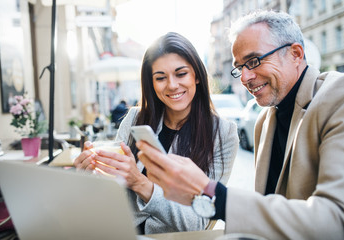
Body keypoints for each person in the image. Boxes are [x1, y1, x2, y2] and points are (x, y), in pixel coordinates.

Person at [136, 10, 344, 239]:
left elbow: (342, 221)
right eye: (240, 67)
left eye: (253, 61)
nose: (244, 78)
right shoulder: (264, 120)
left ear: (295, 54)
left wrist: (214, 194)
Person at [74, 32, 239, 234]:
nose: (171, 85)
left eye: (181, 74)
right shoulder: (135, 118)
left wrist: (141, 184)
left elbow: (198, 222)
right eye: (160, 78)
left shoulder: (223, 133)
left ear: (196, 76)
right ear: (151, 83)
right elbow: (111, 193)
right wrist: (91, 176)